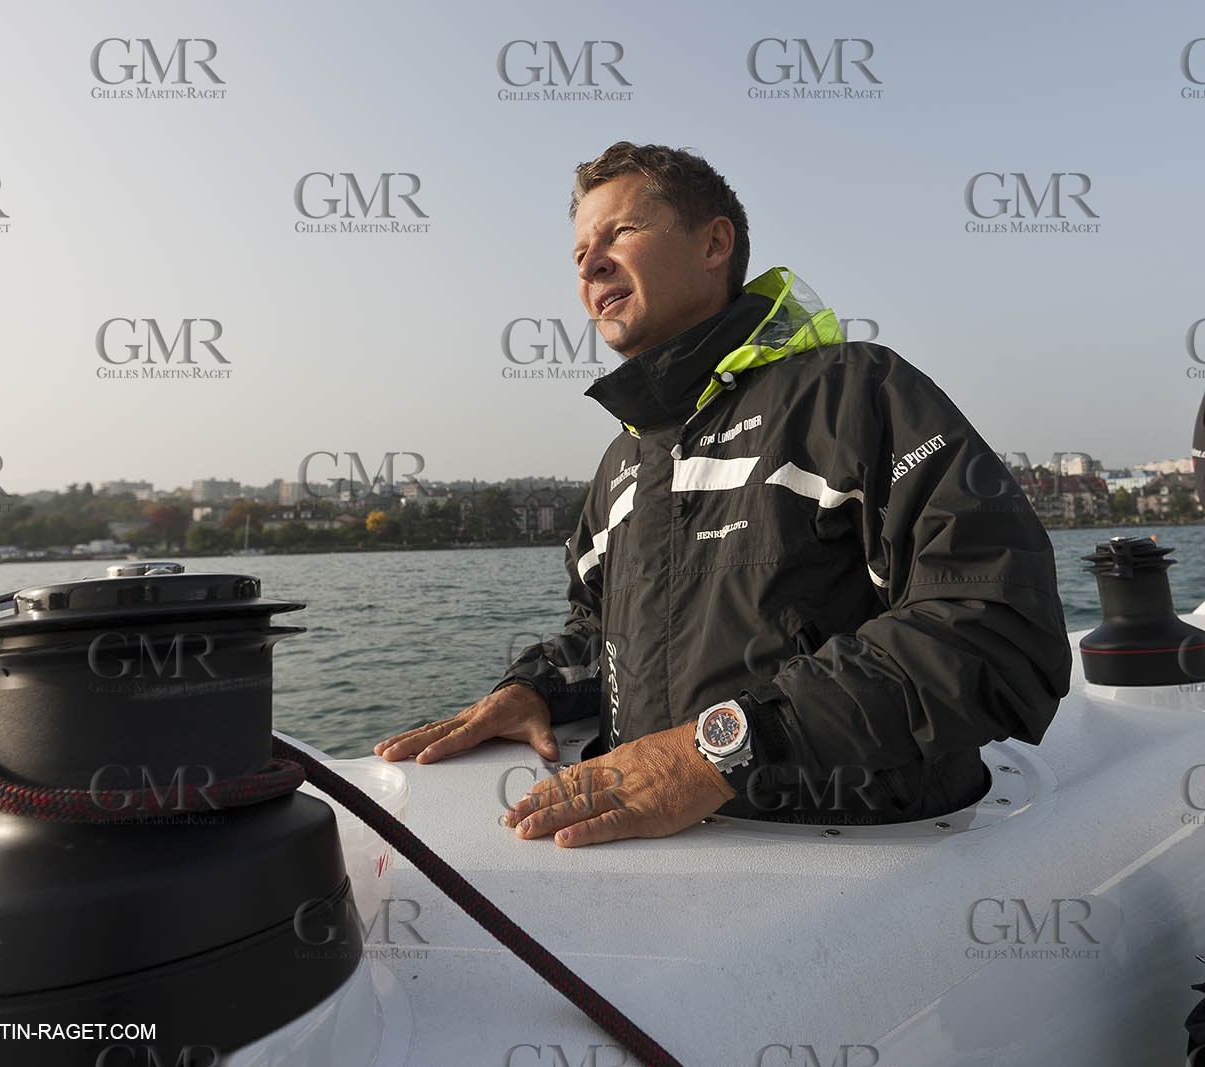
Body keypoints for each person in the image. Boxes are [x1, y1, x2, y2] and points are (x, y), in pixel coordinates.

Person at [374, 141, 1072, 847]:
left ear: (714, 244)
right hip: (658, 866)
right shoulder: (622, 464)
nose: (589, 265)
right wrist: (535, 688)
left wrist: (715, 750)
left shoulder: (853, 394)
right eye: (579, 252)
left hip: (870, 852)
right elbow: (600, 633)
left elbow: (999, 623)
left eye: (619, 232)